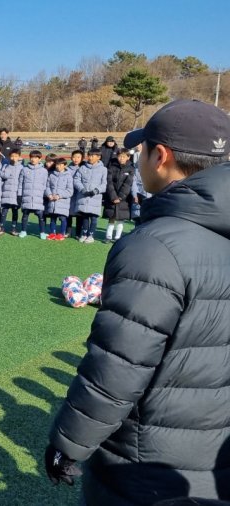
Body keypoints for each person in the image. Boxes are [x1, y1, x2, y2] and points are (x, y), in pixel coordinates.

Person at [46, 99, 230, 505]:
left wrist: (69, 444)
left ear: (160, 156)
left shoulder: (155, 247)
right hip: (216, 455)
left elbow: (119, 366)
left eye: (142, 150)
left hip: (146, 463)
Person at [73, 149, 107, 243]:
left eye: (93, 156)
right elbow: (76, 180)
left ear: (98, 157)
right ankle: (84, 234)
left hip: (95, 197)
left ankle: (91, 235)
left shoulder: (103, 169)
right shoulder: (82, 168)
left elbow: (104, 184)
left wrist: (96, 191)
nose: (90, 157)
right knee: (85, 216)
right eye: (89, 155)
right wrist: (82, 190)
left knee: (94, 217)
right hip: (83, 196)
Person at [102, 148, 134, 243]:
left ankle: (117, 237)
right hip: (111, 197)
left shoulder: (131, 169)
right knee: (111, 218)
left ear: (128, 157)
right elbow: (109, 182)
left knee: (121, 219)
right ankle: (108, 236)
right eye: (120, 156)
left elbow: (128, 184)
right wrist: (113, 196)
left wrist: (120, 197)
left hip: (124, 199)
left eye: (124, 156)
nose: (121, 158)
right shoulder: (111, 167)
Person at [17, 150, 49, 239]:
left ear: (40, 159)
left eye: (36, 157)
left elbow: (46, 184)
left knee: (41, 216)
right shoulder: (24, 169)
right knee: (25, 215)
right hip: (26, 197)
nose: (33, 159)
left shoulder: (44, 171)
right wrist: (19, 195)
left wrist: (45, 196)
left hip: (38, 198)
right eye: (32, 157)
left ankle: (42, 232)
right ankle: (23, 231)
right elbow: (20, 184)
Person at [44, 157, 73, 241]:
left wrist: (59, 196)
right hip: (52, 202)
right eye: (57, 164)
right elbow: (47, 186)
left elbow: (70, 191)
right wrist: (49, 194)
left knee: (63, 218)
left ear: (65, 165)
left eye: (60, 165)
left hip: (63, 202)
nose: (58, 166)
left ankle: (61, 234)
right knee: (53, 218)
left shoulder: (68, 176)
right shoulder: (51, 175)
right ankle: (52, 233)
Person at [0, 149, 23, 236]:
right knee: (4, 211)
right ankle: (1, 228)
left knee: (15, 212)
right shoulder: (6, 166)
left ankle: (13, 228)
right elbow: (3, 176)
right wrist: (8, 167)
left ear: (19, 157)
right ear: (9, 157)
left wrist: (20, 194)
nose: (13, 158)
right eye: (12, 156)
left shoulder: (21, 168)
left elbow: (22, 181)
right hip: (6, 193)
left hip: (16, 194)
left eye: (16, 156)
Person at [67, 150, 85, 238]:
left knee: (79, 214)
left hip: (80, 193)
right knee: (68, 213)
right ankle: (68, 231)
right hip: (70, 194)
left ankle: (78, 233)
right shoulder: (67, 168)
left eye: (78, 157)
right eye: (74, 157)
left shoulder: (84, 168)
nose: (76, 159)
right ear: (71, 158)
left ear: (82, 158)